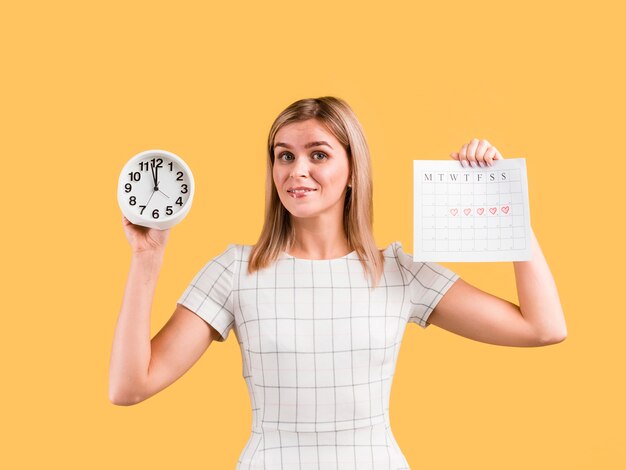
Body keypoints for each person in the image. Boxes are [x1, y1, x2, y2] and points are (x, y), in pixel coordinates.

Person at [109, 96, 567, 469]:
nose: (296, 170)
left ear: (352, 172)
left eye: (319, 154)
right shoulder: (235, 270)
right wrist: (147, 261)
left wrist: (505, 202)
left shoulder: (398, 272)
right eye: (284, 155)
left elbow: (543, 328)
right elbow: (129, 388)